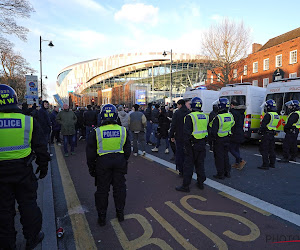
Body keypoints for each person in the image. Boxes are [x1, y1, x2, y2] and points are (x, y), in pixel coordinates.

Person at [0, 84, 50, 249]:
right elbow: (41, 148)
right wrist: (43, 168)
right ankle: (32, 238)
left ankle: (8, 244)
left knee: (4, 211)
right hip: (23, 171)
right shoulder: (28, 121)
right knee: (28, 206)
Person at [86, 104, 131, 226]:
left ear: (102, 116)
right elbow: (127, 151)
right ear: (116, 116)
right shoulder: (123, 130)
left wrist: (92, 168)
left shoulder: (96, 132)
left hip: (102, 163)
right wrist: (123, 160)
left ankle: (102, 217)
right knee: (120, 189)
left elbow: (90, 154)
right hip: (119, 162)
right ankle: (120, 213)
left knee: (102, 191)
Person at [176, 97, 208, 192]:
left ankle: (186, 186)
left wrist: (186, 146)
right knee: (200, 164)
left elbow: (186, 134)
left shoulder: (190, 117)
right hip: (202, 144)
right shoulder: (205, 116)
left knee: (188, 166)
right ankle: (200, 183)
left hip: (192, 145)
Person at [209, 98, 235, 179]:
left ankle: (220, 174)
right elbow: (232, 125)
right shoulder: (230, 115)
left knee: (219, 157)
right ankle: (227, 172)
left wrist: (211, 140)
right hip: (227, 138)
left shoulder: (218, 117)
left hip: (219, 140)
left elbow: (213, 131)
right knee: (225, 156)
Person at [169, 99, 191, 176]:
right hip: (188, 136)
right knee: (187, 153)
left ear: (180, 105)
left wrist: (171, 135)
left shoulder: (177, 113)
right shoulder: (189, 113)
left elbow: (173, 125)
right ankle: (187, 169)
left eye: (177, 105)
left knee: (179, 153)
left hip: (179, 136)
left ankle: (180, 170)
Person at [257, 99, 279, 170]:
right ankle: (272, 163)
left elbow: (263, 125)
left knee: (264, 150)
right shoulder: (276, 115)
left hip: (266, 134)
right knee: (271, 149)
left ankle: (265, 164)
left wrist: (260, 131)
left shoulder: (268, 115)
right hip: (272, 134)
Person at [229, 100, 247, 170]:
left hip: (235, 132)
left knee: (231, 148)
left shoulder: (233, 113)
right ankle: (237, 163)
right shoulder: (242, 113)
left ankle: (240, 160)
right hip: (240, 132)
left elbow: (232, 123)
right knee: (236, 148)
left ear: (233, 105)